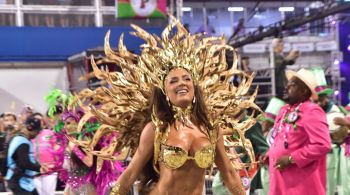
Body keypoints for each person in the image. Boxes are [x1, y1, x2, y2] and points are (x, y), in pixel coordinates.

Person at [72, 17, 261, 195]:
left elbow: (229, 173)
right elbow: (130, 174)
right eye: (173, 81)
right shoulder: (156, 129)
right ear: (165, 92)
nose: (182, 83)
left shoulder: (211, 128)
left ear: (194, 87)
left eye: (187, 79)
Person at [263, 68, 331, 195]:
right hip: (280, 179)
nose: (287, 86)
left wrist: (291, 158)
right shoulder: (284, 110)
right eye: (288, 83)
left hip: (301, 184)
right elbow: (281, 139)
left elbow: (322, 144)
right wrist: (270, 153)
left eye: (292, 84)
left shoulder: (312, 111)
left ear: (304, 91)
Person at [6, 115, 49, 195]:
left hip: (26, 181)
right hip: (19, 181)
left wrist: (39, 166)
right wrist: (39, 168)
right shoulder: (22, 143)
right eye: (37, 131)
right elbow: (24, 163)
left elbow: (26, 160)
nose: (37, 134)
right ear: (29, 128)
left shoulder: (21, 140)